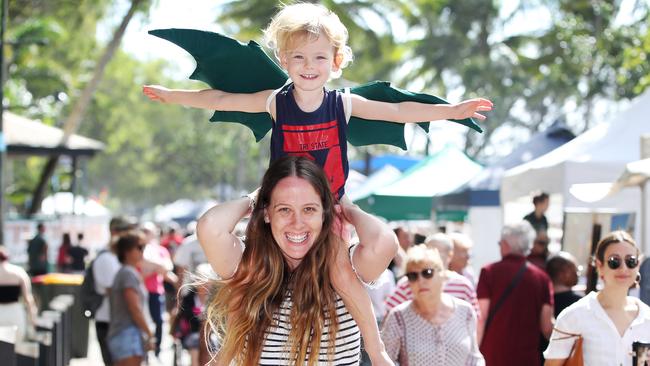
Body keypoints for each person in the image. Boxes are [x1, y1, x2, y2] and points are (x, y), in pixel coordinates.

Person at [143, 3, 492, 201]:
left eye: (319, 58)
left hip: (331, 201)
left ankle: (367, 331)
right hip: (281, 197)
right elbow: (221, 97)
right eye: (299, 57)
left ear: (336, 61)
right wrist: (174, 96)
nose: (309, 67)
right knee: (214, 228)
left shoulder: (344, 103)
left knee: (377, 243)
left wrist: (450, 111)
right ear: (283, 60)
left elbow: (400, 110)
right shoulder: (275, 102)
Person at [197, 156, 398, 365]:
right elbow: (210, 226)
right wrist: (256, 198)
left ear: (324, 213)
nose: (297, 223)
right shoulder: (248, 262)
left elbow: (383, 242)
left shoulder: (344, 266)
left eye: (309, 209)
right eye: (284, 209)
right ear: (267, 214)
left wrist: (346, 206)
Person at [544, 231, 650, 365]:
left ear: (638, 265)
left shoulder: (646, 317)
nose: (623, 268)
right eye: (614, 261)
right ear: (600, 266)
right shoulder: (574, 316)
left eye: (631, 261)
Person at [381, 245, 484, 365]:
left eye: (427, 273)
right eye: (413, 276)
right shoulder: (398, 317)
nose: (420, 280)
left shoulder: (465, 311)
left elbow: (474, 357)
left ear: (442, 274)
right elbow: (384, 360)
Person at [476, 221, 554, 366]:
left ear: (505, 244)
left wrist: (473, 352)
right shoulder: (542, 278)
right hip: (527, 357)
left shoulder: (489, 272)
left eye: (500, 243)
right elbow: (547, 327)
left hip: (493, 356)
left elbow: (481, 316)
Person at [384, 233, 479, 320]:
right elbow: (389, 315)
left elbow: (474, 319)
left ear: (450, 255)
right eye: (429, 251)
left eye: (438, 252)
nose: (433, 256)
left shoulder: (463, 285)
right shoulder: (409, 281)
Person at [94, 216, 137, 366]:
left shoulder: (116, 258)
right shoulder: (106, 259)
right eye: (126, 230)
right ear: (114, 232)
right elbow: (115, 293)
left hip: (118, 323)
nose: (131, 234)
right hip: (110, 323)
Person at [107, 232, 155, 366]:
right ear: (127, 251)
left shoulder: (128, 272)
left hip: (127, 335)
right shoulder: (127, 273)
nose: (142, 251)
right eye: (139, 247)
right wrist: (149, 333)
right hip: (127, 335)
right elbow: (134, 308)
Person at [0, 246, 38, 344]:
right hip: (15, 313)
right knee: (15, 348)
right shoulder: (18, 272)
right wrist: (33, 320)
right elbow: (28, 299)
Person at [546, 251, 583, 317]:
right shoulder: (579, 302)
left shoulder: (542, 298)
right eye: (575, 270)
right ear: (565, 274)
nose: (577, 274)